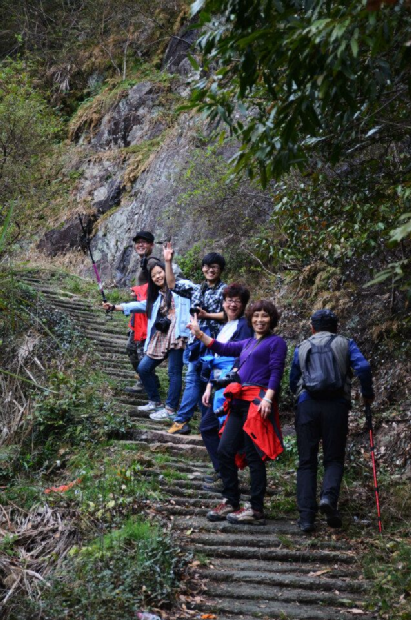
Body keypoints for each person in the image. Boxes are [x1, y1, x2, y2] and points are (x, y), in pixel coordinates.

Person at [188, 300, 288, 526]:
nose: (260, 320)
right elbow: (222, 348)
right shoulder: (248, 343)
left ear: (271, 320)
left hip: (257, 401)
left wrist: (268, 398)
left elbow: (276, 371)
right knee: (225, 449)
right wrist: (199, 334)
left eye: (265, 316)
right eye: (256, 316)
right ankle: (231, 500)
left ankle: (256, 508)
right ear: (250, 318)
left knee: (254, 455)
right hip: (239, 402)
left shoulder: (276, 342)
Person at [290, 309, 375, 534]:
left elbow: (293, 379)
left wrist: (299, 398)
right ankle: (328, 497)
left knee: (307, 461)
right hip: (336, 406)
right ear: (336, 327)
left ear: (312, 327)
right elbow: (363, 368)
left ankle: (307, 518)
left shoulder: (302, 345)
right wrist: (367, 392)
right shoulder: (346, 343)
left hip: (308, 405)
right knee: (333, 458)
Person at [103, 255, 191, 420]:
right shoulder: (156, 297)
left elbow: (195, 292)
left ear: (167, 272)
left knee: (174, 372)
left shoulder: (181, 288)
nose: (158, 277)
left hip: (178, 334)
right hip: (162, 335)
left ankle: (171, 409)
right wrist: (115, 307)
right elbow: (139, 305)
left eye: (160, 273)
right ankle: (155, 402)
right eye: (154, 276)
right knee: (143, 368)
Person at [163, 242, 227, 436]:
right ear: (202, 269)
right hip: (195, 343)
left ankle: (183, 421)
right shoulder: (197, 289)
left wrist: (206, 315)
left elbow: (227, 315)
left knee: (204, 381)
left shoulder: (226, 291)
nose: (209, 270)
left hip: (214, 342)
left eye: (214, 267)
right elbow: (172, 284)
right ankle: (206, 425)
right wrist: (168, 261)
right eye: (206, 267)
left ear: (220, 270)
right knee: (196, 381)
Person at [200, 284, 254, 490]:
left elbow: (240, 357)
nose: (232, 304)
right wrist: (209, 387)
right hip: (219, 384)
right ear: (223, 303)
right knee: (210, 428)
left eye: (237, 301)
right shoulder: (225, 326)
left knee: (213, 428)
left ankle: (226, 475)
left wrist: (226, 383)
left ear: (243, 305)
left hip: (231, 386)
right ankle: (223, 472)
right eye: (229, 300)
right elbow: (216, 358)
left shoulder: (244, 326)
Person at [125, 231, 160, 394]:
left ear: (151, 245)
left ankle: (146, 383)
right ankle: (148, 379)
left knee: (139, 350)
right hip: (139, 314)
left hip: (146, 317)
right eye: (138, 242)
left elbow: (159, 283)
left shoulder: (152, 262)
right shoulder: (143, 262)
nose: (140, 245)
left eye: (144, 242)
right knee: (132, 349)